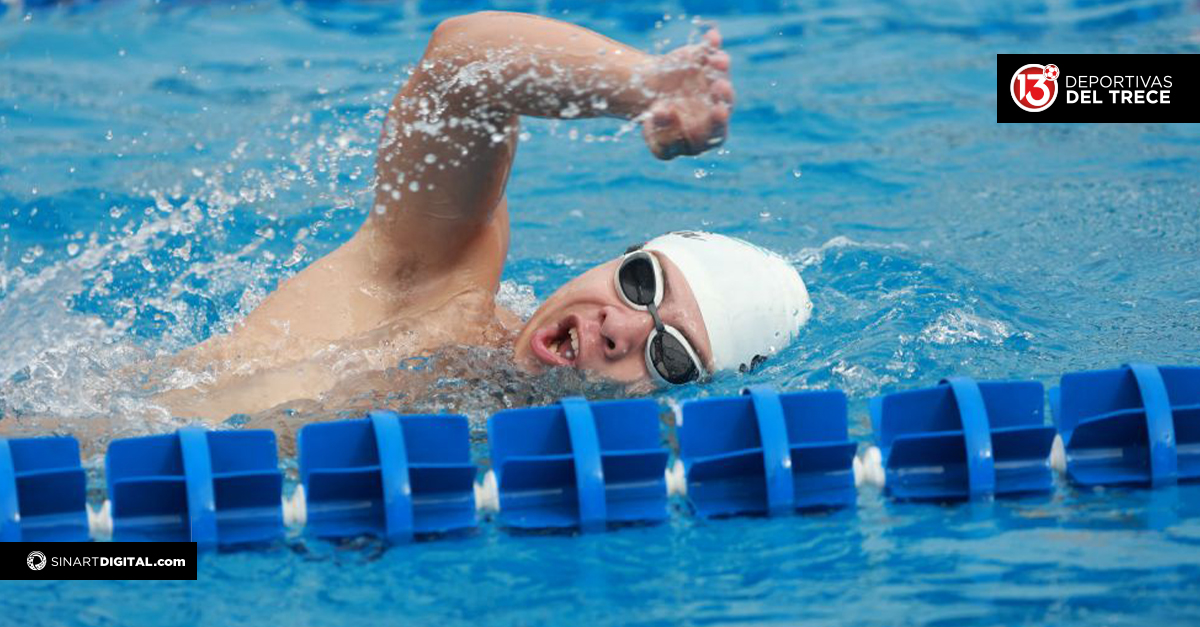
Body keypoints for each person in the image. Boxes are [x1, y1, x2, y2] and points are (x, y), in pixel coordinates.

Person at [158, 11, 812, 421]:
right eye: (641, 283)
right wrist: (642, 88)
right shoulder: (435, 283)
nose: (621, 330)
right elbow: (459, 63)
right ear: (616, 258)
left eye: (669, 355)